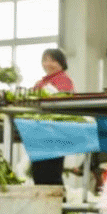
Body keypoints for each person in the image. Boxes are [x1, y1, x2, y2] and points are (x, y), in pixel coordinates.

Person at [29, 48, 75, 185]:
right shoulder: (42, 82)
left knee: (51, 173)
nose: (48, 64)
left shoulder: (64, 80)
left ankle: (56, 197)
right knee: (38, 173)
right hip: (40, 131)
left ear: (62, 63)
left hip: (55, 132)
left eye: (52, 60)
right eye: (45, 60)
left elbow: (58, 101)